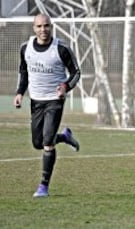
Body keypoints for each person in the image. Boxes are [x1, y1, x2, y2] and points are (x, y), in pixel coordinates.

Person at [13, 14, 81, 198]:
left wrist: (66, 86)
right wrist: (20, 92)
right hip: (36, 101)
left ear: (51, 27)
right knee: (38, 142)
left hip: (54, 100)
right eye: (39, 26)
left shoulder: (61, 48)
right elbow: (23, 71)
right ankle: (65, 137)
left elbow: (76, 72)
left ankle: (43, 186)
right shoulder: (25, 48)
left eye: (47, 26)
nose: (43, 30)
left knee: (47, 143)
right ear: (34, 28)